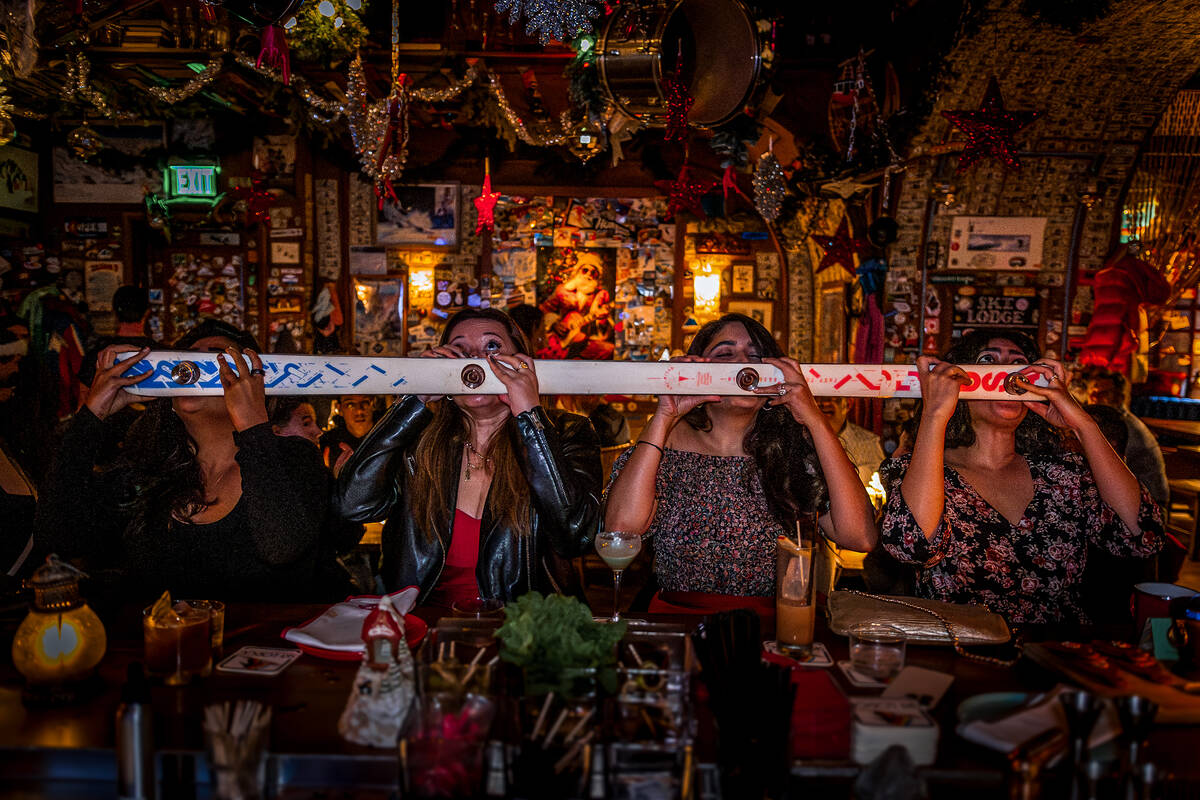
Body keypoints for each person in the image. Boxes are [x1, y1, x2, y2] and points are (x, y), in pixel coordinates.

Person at [32, 319, 329, 602]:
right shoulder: (147, 471)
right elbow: (56, 536)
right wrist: (91, 416)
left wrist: (253, 425)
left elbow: (281, 548)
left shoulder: (294, 457)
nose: (193, 371)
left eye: (215, 360)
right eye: (185, 361)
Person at [880, 329, 1163, 624]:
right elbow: (911, 547)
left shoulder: (1064, 474)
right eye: (988, 361)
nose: (1007, 375)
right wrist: (935, 413)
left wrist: (1083, 425)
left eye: (1018, 364)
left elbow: (1142, 536)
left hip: (1054, 648)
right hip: (961, 646)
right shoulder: (923, 472)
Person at [333, 307, 602, 607]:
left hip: (521, 626)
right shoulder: (419, 440)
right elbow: (353, 505)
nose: (475, 360)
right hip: (422, 623)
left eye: (492, 346)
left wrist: (530, 416)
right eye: (459, 350)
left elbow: (577, 536)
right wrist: (414, 400)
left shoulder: (566, 432)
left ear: (521, 362)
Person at [603, 313, 878, 604]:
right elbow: (620, 532)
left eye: (756, 356)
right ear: (698, 372)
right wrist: (664, 415)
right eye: (725, 354)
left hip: (768, 622)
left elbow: (860, 536)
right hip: (681, 618)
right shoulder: (666, 443)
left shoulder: (789, 450)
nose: (743, 363)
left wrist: (814, 418)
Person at [1082, 366, 1169, 507]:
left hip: (1150, 503)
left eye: (1103, 393)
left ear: (1119, 397)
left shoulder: (1123, 426)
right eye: (1093, 392)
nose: (1094, 397)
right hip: (1134, 496)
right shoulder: (1111, 422)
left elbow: (1107, 469)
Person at [78, 286, 154, 390]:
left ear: (114, 311)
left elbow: (83, 396)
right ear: (147, 312)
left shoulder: (98, 355)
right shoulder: (165, 353)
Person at [818, 396, 885, 487]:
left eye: (832, 398)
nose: (824, 403)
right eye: (817, 398)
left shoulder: (869, 442)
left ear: (848, 404)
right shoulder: (801, 440)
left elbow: (881, 483)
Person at [320, 394, 376, 474]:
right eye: (350, 405)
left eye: (365, 403)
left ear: (373, 404)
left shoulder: (389, 435)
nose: (359, 411)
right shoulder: (329, 442)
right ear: (339, 408)